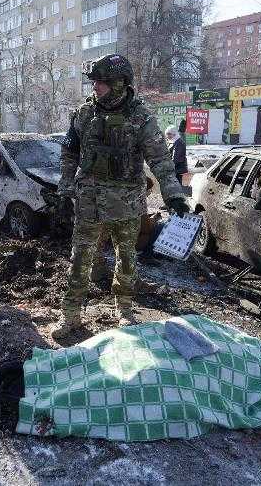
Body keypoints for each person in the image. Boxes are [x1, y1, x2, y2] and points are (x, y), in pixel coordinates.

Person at [53, 54, 189, 339]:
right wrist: (65, 191)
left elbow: (161, 159)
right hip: (88, 202)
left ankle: (124, 310)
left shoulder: (142, 117)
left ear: (120, 83)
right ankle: (71, 317)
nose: (95, 87)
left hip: (126, 205)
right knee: (80, 259)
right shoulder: (84, 113)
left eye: (101, 82)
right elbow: (69, 154)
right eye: (94, 82)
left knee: (126, 259)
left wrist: (174, 194)